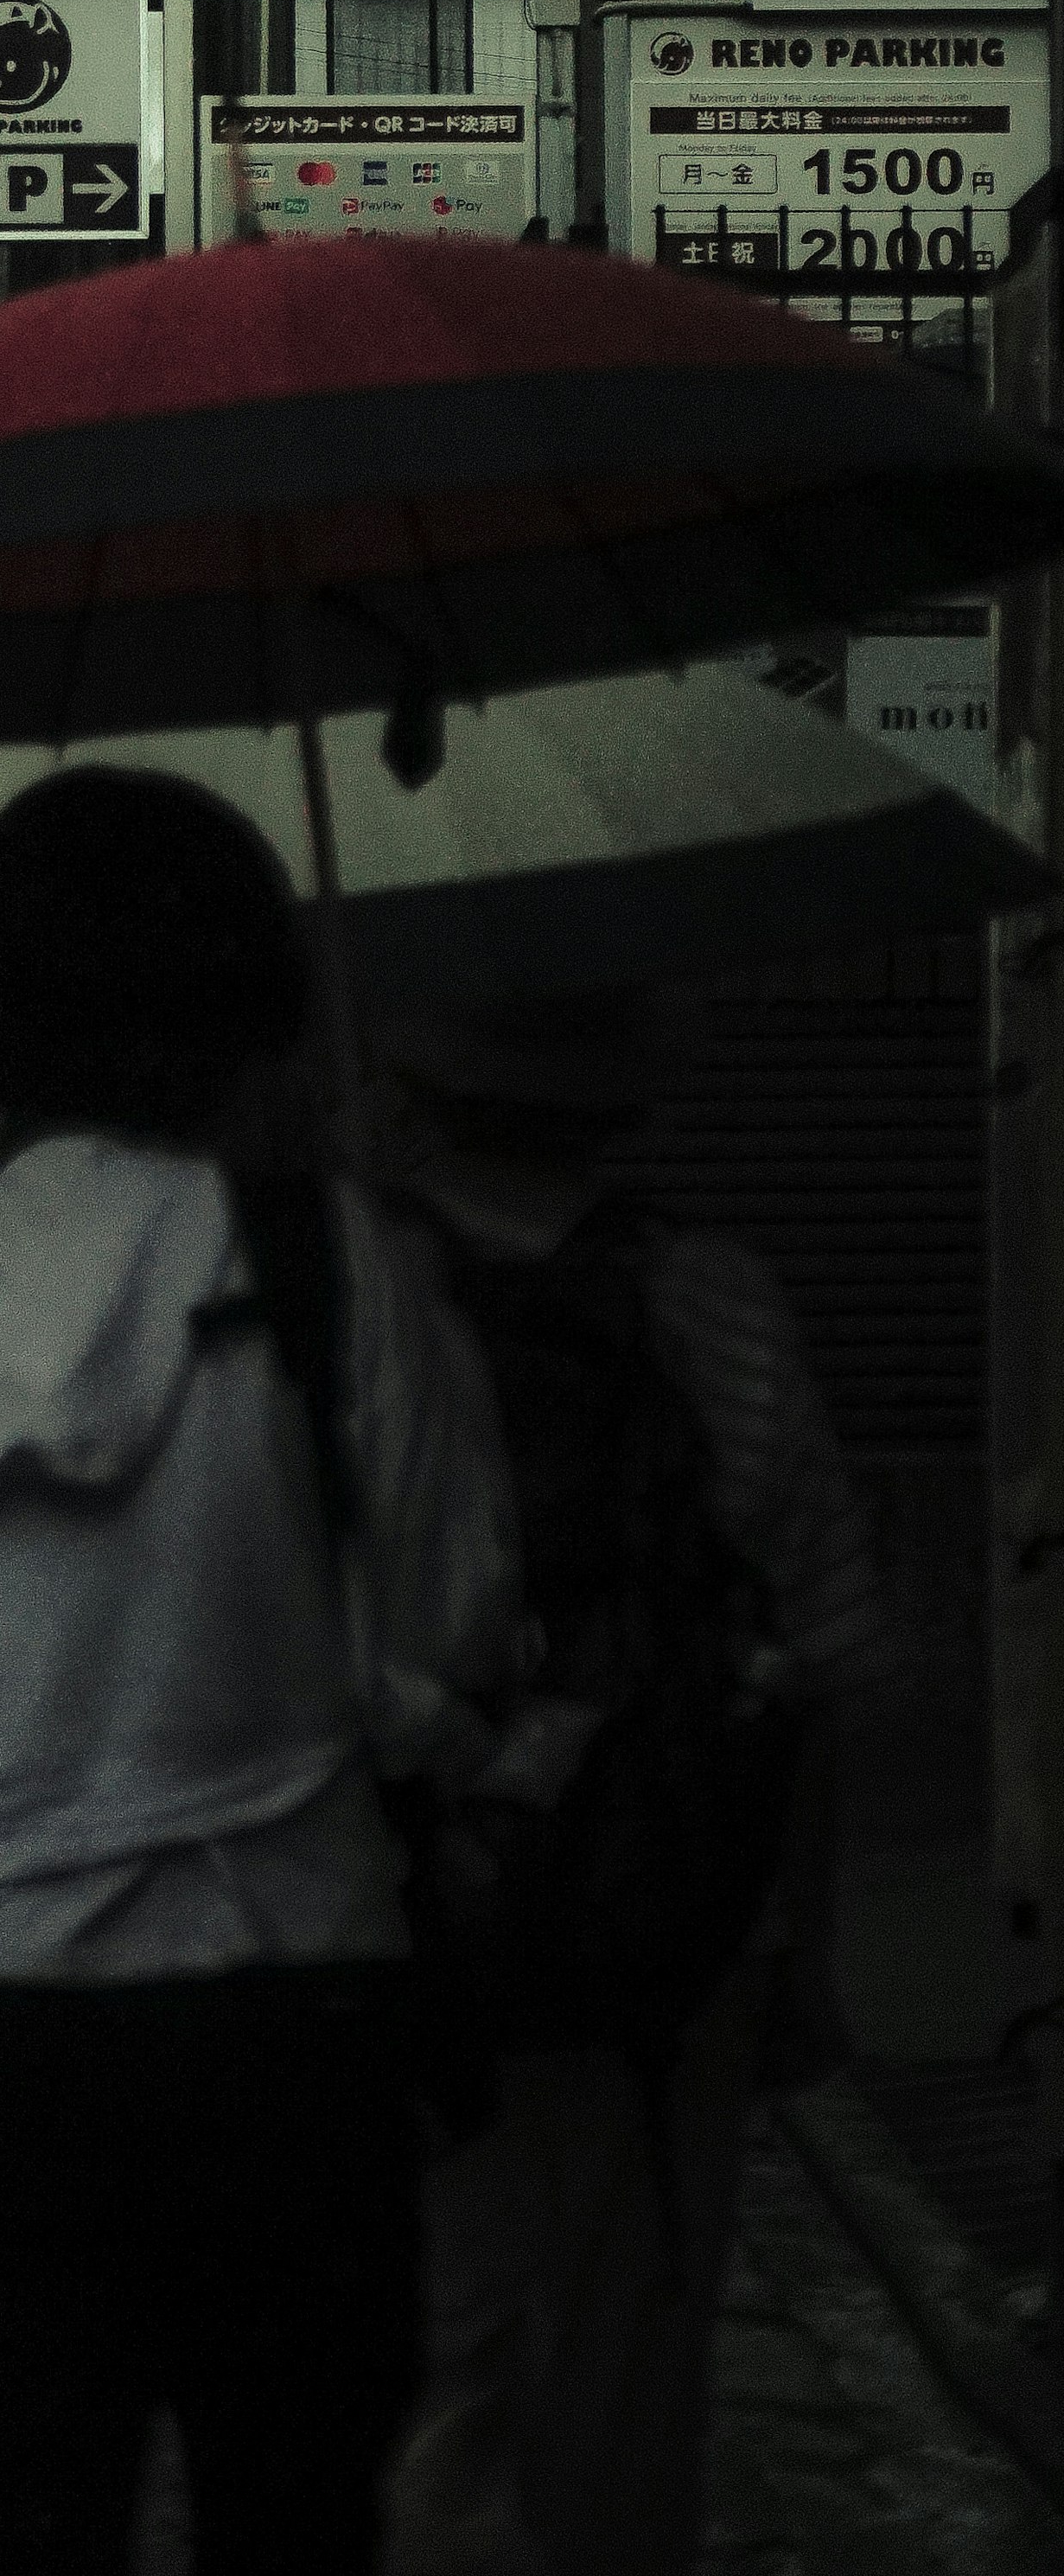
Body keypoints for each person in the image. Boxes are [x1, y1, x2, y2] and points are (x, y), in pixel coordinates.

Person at [0, 766, 519, 2576]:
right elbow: (452, 1633)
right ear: (246, 1001)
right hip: (284, 2021)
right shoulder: (335, 1265)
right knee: (293, 2528)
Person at [369, 990, 894, 2576]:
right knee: (627, 2368)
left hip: (390, 1909)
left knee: (424, 2365)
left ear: (416, 1094)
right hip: (654, 1925)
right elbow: (825, 1653)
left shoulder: (340, 1296)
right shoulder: (706, 1292)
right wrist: (794, 1942)